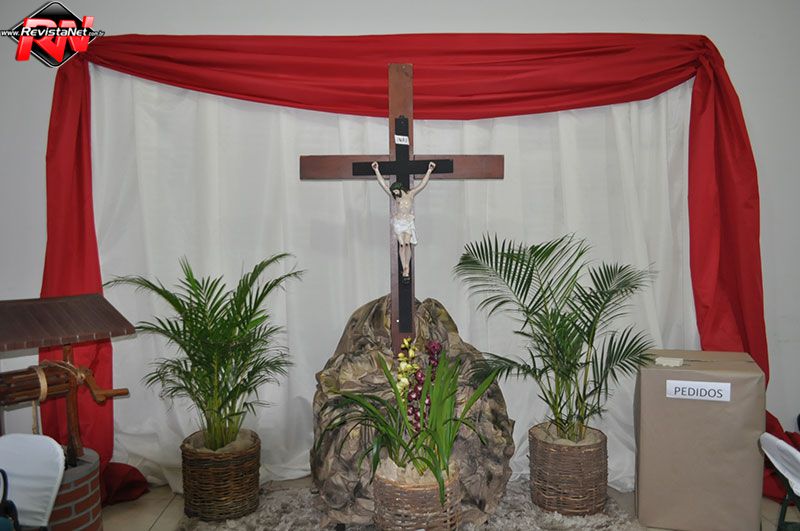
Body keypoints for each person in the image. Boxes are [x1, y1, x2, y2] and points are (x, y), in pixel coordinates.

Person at [372, 160, 436, 282]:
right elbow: (383, 185)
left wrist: (429, 170)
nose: (394, 194)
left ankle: (407, 266)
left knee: (407, 244)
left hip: (408, 222)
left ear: (399, 188)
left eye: (395, 191)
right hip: (398, 222)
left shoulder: (410, 194)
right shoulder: (395, 197)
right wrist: (376, 170)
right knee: (401, 244)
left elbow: (422, 184)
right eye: (393, 193)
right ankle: (404, 267)